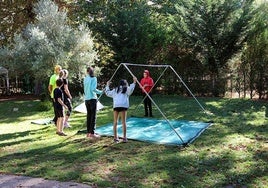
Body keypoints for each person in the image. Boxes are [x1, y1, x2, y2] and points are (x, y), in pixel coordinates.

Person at [105, 77, 137, 143]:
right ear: (125, 84)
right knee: (123, 122)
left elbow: (108, 93)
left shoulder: (115, 90)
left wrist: (107, 85)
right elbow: (131, 89)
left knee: (115, 122)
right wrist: (134, 82)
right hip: (123, 105)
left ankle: (115, 138)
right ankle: (124, 138)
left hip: (116, 106)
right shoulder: (126, 89)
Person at [84, 67, 103, 138]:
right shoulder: (94, 78)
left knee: (89, 116)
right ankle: (92, 133)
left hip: (86, 99)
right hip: (92, 99)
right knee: (93, 116)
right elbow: (93, 89)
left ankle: (88, 133)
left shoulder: (85, 79)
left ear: (87, 72)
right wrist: (101, 92)